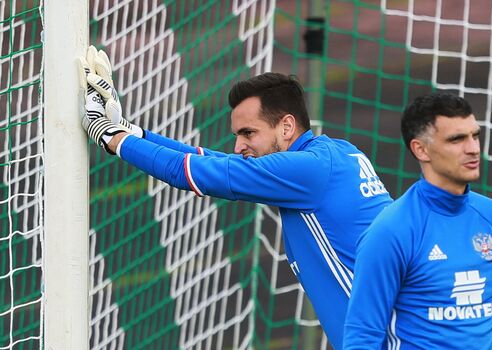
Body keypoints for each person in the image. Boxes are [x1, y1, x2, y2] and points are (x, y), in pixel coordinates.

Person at [79, 45, 393, 349]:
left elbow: (187, 172)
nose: (238, 147)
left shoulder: (306, 171)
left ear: (286, 127)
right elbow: (215, 162)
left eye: (248, 133)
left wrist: (107, 135)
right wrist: (128, 130)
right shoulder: (337, 153)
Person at [343, 92, 492, 349]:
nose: (473, 148)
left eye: (475, 135)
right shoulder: (390, 231)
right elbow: (362, 336)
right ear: (421, 149)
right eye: (456, 139)